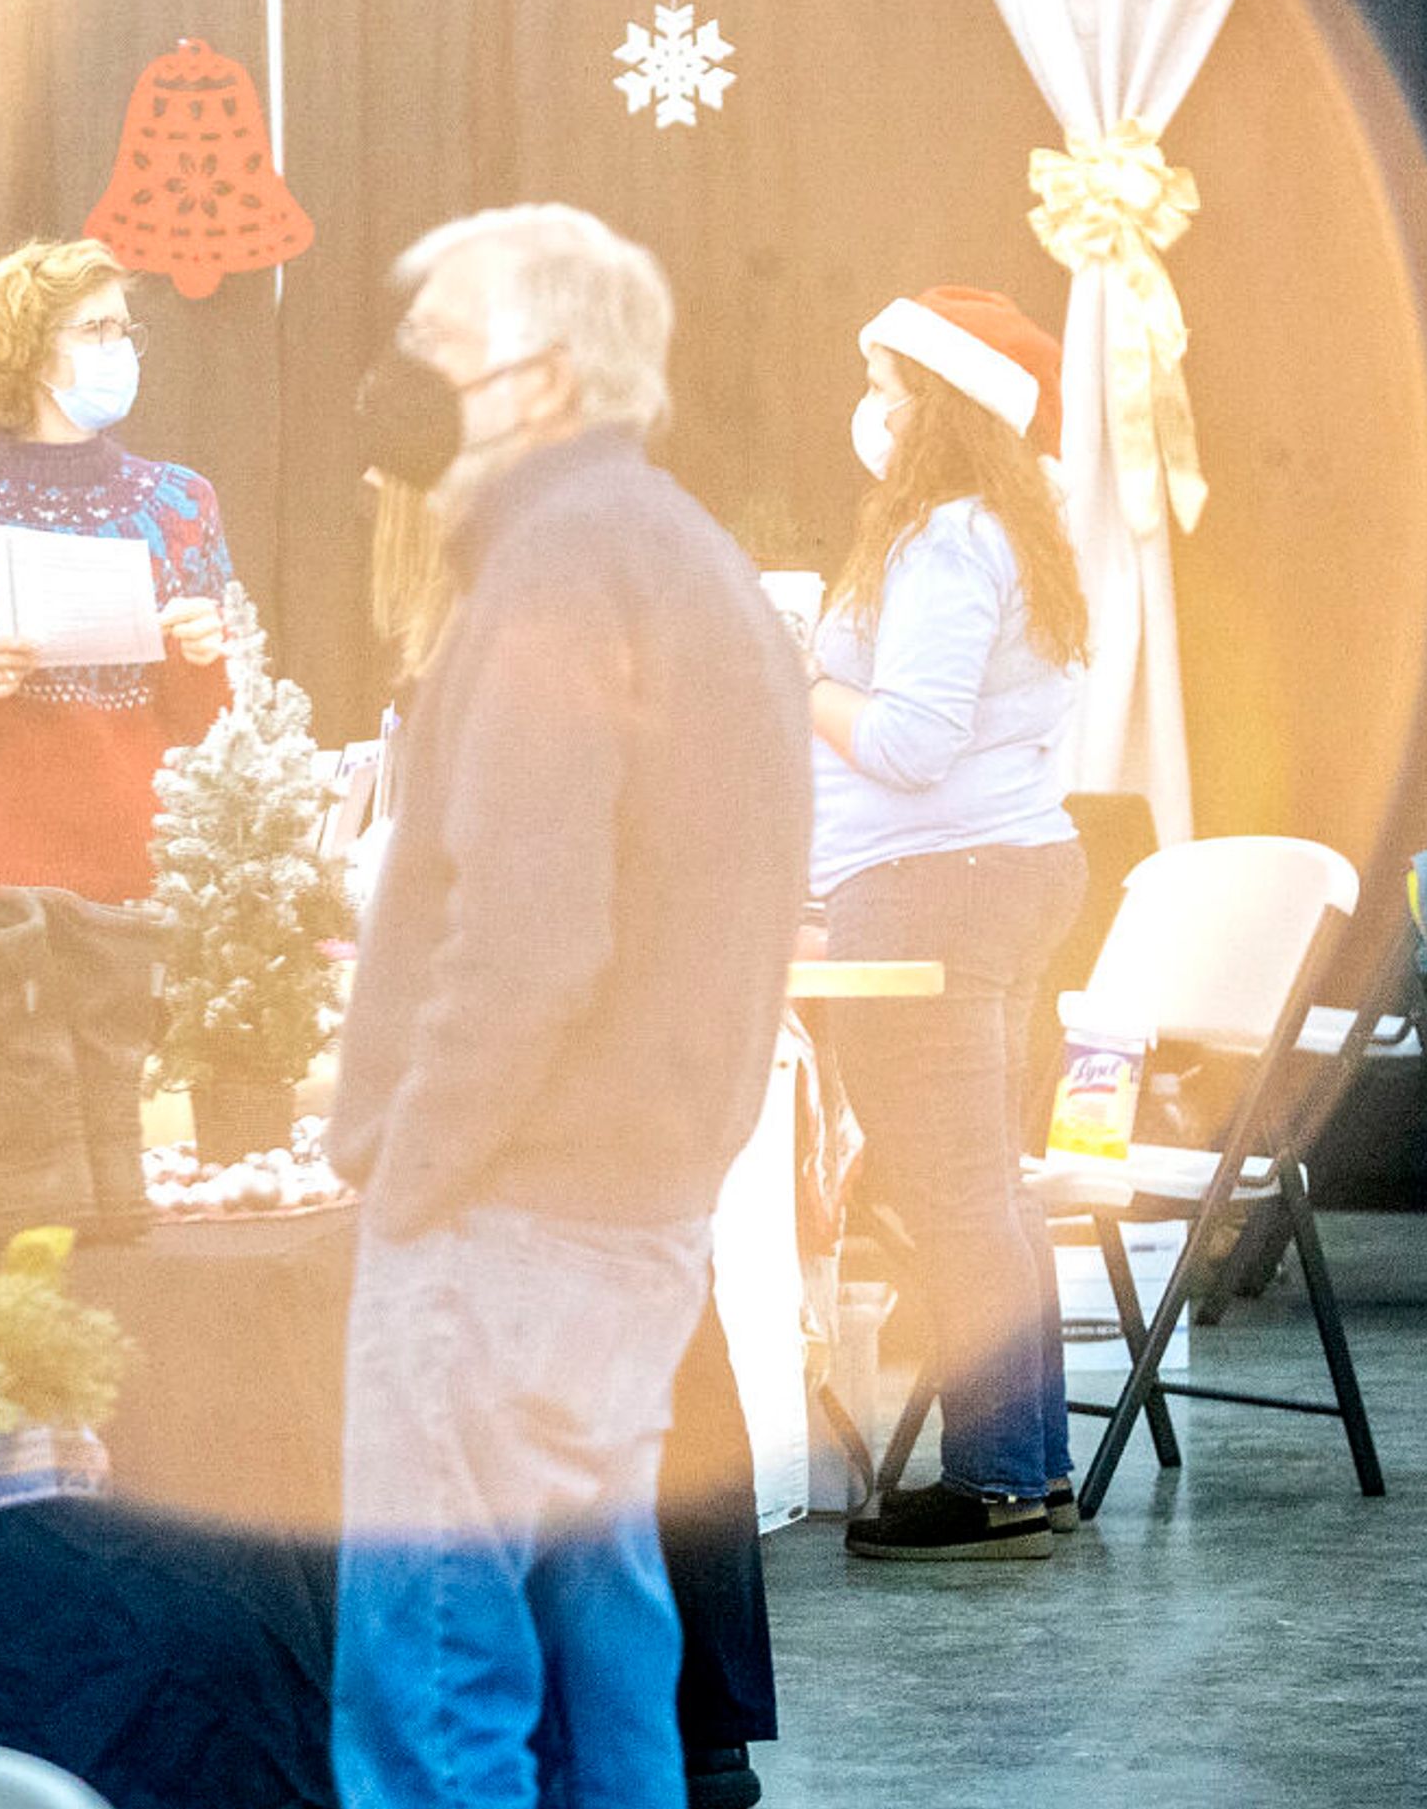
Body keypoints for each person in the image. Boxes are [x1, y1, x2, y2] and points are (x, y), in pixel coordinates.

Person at [325, 206, 808, 1809]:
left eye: (440, 349)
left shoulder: (558, 566)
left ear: (540, 377)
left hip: (513, 1216)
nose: (402, 383)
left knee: (440, 1682)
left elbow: (527, 934)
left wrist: (411, 1168)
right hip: (629, 1203)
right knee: (606, 1658)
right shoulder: (672, 548)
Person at [811, 288, 1089, 1562]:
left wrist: (798, 675)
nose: (868, 407)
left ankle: (988, 1480)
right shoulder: (1010, 532)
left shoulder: (947, 541)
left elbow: (914, 743)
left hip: (937, 879)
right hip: (999, 870)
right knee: (989, 1187)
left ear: (942, 404)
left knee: (958, 1190)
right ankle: (1027, 1466)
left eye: (887, 382)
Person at [0, 238, 234, 902]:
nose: (118, 346)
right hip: (3, 896)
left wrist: (206, 652)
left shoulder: (183, 503)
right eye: (96, 329)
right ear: (34, 353)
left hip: (151, 877)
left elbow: (224, 718)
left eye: (124, 330)